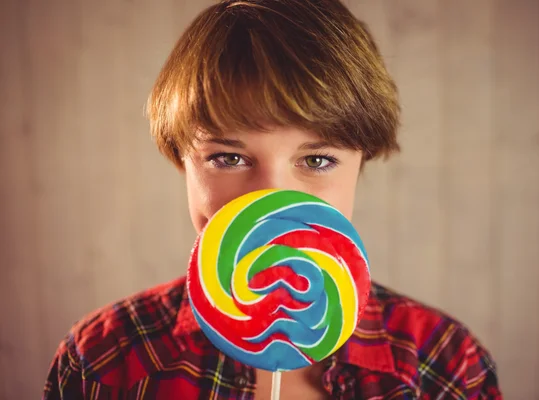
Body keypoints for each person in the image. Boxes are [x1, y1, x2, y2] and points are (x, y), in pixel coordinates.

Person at [43, 0, 502, 399]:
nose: (271, 198)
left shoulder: (445, 367)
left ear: (361, 163)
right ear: (181, 158)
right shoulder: (103, 362)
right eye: (227, 157)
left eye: (317, 160)